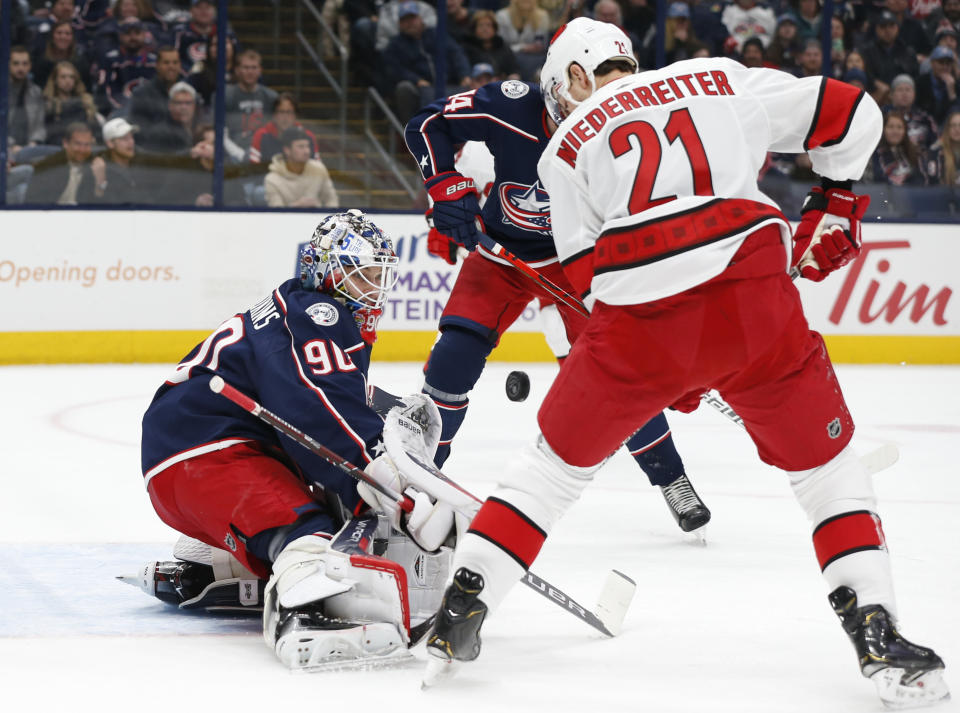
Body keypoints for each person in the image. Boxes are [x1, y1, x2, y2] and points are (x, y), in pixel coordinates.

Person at [420, 18, 948, 710]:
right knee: (829, 473)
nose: (559, 107)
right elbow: (856, 113)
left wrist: (667, 369)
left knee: (548, 471)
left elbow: (587, 281)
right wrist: (838, 199)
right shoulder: (720, 78)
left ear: (578, 75)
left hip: (639, 322)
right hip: (754, 302)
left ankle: (465, 603)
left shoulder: (565, 149)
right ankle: (875, 628)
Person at [137, 210, 457, 669]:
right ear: (328, 271)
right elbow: (320, 409)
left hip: (192, 455)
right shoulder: (316, 314)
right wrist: (388, 480)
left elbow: (329, 397)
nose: (375, 287)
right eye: (363, 273)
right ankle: (304, 613)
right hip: (205, 454)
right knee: (310, 532)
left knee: (325, 516)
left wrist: (385, 424)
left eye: (378, 275)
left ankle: (219, 563)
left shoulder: (299, 311)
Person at [404, 78, 712, 534]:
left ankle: (672, 478)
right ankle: (418, 476)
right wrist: (445, 197)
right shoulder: (509, 110)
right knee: (454, 356)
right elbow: (428, 127)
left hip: (576, 262)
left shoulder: (621, 134)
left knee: (619, 371)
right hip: (499, 254)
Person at [381, 2, 472, 124]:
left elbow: (456, 53)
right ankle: (412, 129)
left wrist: (464, 75)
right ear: (400, 24)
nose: (410, 23)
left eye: (412, 18)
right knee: (404, 88)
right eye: (405, 20)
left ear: (420, 19)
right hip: (420, 88)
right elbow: (396, 69)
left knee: (473, 87)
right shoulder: (395, 45)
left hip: (449, 84)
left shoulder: (437, 34)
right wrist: (416, 80)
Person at [264, 127, 339, 208]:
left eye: (307, 146)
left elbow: (332, 200)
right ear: (287, 150)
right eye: (301, 147)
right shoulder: (272, 179)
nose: (307, 151)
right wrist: (297, 206)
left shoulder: (319, 169)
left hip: (318, 219)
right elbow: (275, 214)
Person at [94, 17, 157, 114]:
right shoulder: (110, 61)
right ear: (120, 36)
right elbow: (106, 92)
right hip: (119, 113)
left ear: (144, 35)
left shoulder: (154, 62)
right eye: (128, 33)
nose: (133, 37)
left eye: (137, 33)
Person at [25, 121, 94, 204]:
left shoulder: (96, 166)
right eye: (77, 144)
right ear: (65, 143)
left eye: (87, 145)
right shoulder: (48, 168)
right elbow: (34, 205)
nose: (82, 150)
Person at [224, 49, 278, 154]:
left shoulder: (271, 97)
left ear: (260, 70)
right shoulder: (225, 95)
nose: (250, 71)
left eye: (254, 68)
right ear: (237, 70)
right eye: (246, 67)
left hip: (263, 152)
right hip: (230, 152)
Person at [81, 116, 140, 203]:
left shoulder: (141, 163)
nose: (131, 142)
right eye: (124, 138)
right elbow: (88, 206)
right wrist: (100, 183)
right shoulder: (98, 169)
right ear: (110, 143)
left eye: (131, 137)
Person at [249, 93, 319, 164]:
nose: (285, 117)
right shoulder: (261, 135)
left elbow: (317, 169)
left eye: (289, 112)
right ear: (274, 115)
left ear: (296, 115)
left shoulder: (308, 136)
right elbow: (253, 170)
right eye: (281, 112)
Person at [127, 46, 183, 135]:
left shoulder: (187, 91)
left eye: (175, 63)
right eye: (166, 63)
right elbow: (138, 128)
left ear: (180, 65)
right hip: (153, 145)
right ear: (157, 65)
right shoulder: (142, 94)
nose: (171, 67)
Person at [42, 61, 100, 146]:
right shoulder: (49, 105)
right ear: (55, 80)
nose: (68, 80)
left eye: (71, 77)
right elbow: (49, 134)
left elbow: (96, 130)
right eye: (63, 77)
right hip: (59, 149)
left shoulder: (85, 102)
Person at [138, 81, 200, 154]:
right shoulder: (159, 134)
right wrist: (191, 153)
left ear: (194, 106)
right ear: (170, 105)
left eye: (188, 103)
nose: (183, 107)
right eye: (179, 103)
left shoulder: (200, 129)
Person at [868, 109, 928, 184]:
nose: (895, 131)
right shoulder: (872, 153)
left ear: (905, 131)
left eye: (899, 127)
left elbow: (921, 179)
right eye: (890, 127)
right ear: (883, 130)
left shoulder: (915, 153)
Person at [496, 0, 551, 80]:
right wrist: (522, 47)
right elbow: (500, 44)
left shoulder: (542, 15)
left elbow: (541, 43)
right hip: (508, 56)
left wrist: (537, 46)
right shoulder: (502, 15)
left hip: (533, 58)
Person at [8, 46, 47, 154]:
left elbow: (40, 125)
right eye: (16, 63)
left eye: (25, 64)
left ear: (30, 66)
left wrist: (33, 143)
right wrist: (11, 145)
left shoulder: (36, 92)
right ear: (8, 65)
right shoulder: (2, 93)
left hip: (30, 148)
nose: (21, 68)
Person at [885, 74, 939, 149]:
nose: (904, 94)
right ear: (891, 94)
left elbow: (935, 143)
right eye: (900, 90)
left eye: (908, 90)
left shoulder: (925, 118)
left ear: (914, 94)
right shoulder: (882, 115)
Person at [926, 109, 960, 184]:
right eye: (953, 125)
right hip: (945, 193)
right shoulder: (936, 150)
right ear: (947, 129)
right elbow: (934, 181)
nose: (957, 129)